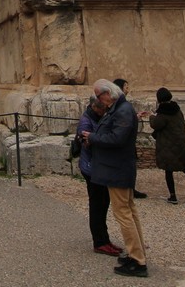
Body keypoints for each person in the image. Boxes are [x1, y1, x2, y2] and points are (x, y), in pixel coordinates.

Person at [85, 79, 149, 278]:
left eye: (98, 96)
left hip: (117, 169)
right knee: (129, 210)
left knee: (123, 213)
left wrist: (93, 138)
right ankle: (136, 253)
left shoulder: (122, 110)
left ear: (107, 94)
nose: (98, 100)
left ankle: (138, 261)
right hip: (118, 168)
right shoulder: (120, 109)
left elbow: (117, 139)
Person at [77, 94, 122, 257]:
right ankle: (100, 242)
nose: (105, 111)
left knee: (103, 204)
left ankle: (105, 239)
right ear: (95, 107)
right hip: (91, 169)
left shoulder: (96, 117)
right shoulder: (86, 121)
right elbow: (87, 144)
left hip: (99, 168)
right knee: (97, 206)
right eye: (103, 108)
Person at [148, 87, 185, 204]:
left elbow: (156, 124)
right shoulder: (176, 109)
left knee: (168, 170)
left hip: (168, 145)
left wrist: (151, 116)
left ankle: (173, 196)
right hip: (180, 143)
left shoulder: (163, 112)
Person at [113, 78, 148, 200]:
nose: (128, 90)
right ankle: (126, 188)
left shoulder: (122, 104)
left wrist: (136, 116)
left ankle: (130, 188)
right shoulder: (120, 104)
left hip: (127, 141)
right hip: (125, 141)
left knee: (130, 165)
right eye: (126, 87)